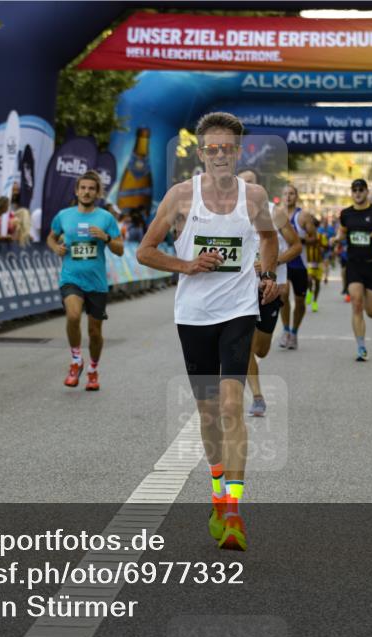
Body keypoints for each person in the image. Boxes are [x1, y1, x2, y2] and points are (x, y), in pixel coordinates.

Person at [137, 111, 279, 551]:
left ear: (239, 152)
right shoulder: (181, 197)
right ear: (201, 153)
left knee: (233, 404)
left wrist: (267, 274)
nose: (220, 156)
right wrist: (187, 265)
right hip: (194, 315)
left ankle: (233, 510)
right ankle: (217, 493)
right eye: (212, 149)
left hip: (238, 310)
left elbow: (270, 238)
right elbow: (145, 251)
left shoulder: (254, 196)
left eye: (228, 149)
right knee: (209, 413)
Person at [47, 170, 124, 391]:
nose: (86, 192)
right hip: (71, 277)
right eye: (83, 188)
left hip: (97, 282)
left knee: (95, 332)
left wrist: (106, 237)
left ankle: (92, 369)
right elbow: (50, 237)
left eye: (91, 188)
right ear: (76, 191)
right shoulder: (64, 216)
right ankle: (75, 360)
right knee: (72, 315)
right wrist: (56, 248)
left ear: (97, 192)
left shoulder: (105, 218)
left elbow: (119, 250)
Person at [237, 168, 301, 419]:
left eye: (250, 183)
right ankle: (257, 396)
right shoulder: (230, 216)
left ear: (258, 187)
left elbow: (296, 246)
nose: (246, 188)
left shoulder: (275, 213)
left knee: (260, 349)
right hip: (241, 290)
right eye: (241, 184)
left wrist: (271, 264)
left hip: (270, 288)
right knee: (243, 344)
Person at [335, 178, 372, 361]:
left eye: (361, 189)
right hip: (354, 264)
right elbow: (342, 231)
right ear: (351, 193)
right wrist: (336, 239)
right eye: (354, 190)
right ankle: (361, 347)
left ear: (367, 192)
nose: (357, 193)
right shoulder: (346, 214)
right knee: (356, 303)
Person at [277, 184, 315, 349]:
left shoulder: (303, 216)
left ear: (296, 196)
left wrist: (298, 240)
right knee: (283, 294)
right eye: (285, 193)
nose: (288, 197)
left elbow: (314, 238)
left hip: (299, 263)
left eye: (291, 193)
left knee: (299, 301)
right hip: (282, 261)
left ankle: (294, 332)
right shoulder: (275, 214)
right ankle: (285, 330)